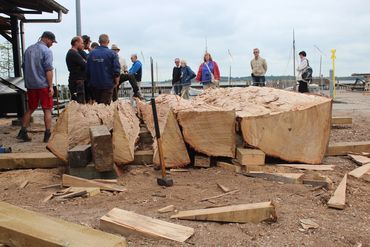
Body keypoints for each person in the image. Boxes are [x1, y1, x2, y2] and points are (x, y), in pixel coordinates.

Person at [17, 31, 57, 142]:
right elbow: (48, 69)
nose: (52, 44)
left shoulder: (28, 50)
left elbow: (23, 67)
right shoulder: (47, 51)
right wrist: (50, 86)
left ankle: (23, 131)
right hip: (43, 85)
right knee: (47, 110)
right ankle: (47, 134)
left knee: (30, 108)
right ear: (47, 39)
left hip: (31, 85)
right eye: (52, 42)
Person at [86, 34, 120, 104]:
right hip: (107, 85)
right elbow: (116, 70)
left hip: (94, 85)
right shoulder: (113, 54)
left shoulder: (90, 54)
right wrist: (116, 82)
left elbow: (87, 71)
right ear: (108, 41)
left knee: (97, 107)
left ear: (99, 41)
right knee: (105, 108)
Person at [66, 36, 86, 103]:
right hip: (77, 81)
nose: (82, 45)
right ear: (76, 42)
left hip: (76, 80)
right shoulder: (73, 53)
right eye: (81, 43)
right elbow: (85, 65)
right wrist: (84, 61)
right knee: (79, 103)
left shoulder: (74, 53)